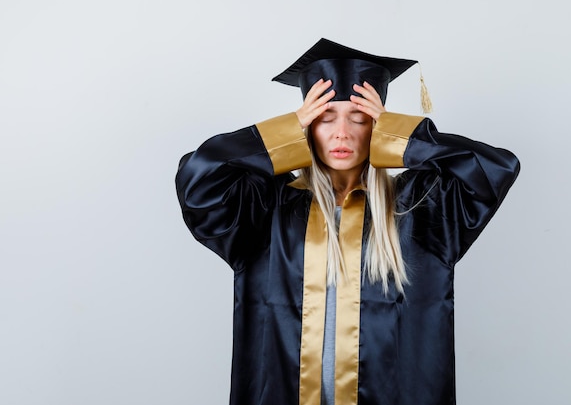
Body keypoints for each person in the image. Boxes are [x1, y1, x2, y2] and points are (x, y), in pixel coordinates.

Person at [175, 38, 520, 405]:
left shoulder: (421, 208)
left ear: (379, 128)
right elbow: (198, 179)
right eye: (324, 119)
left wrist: (401, 133)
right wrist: (286, 129)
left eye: (360, 119)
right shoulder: (267, 207)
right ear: (306, 128)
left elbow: (494, 168)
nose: (342, 133)